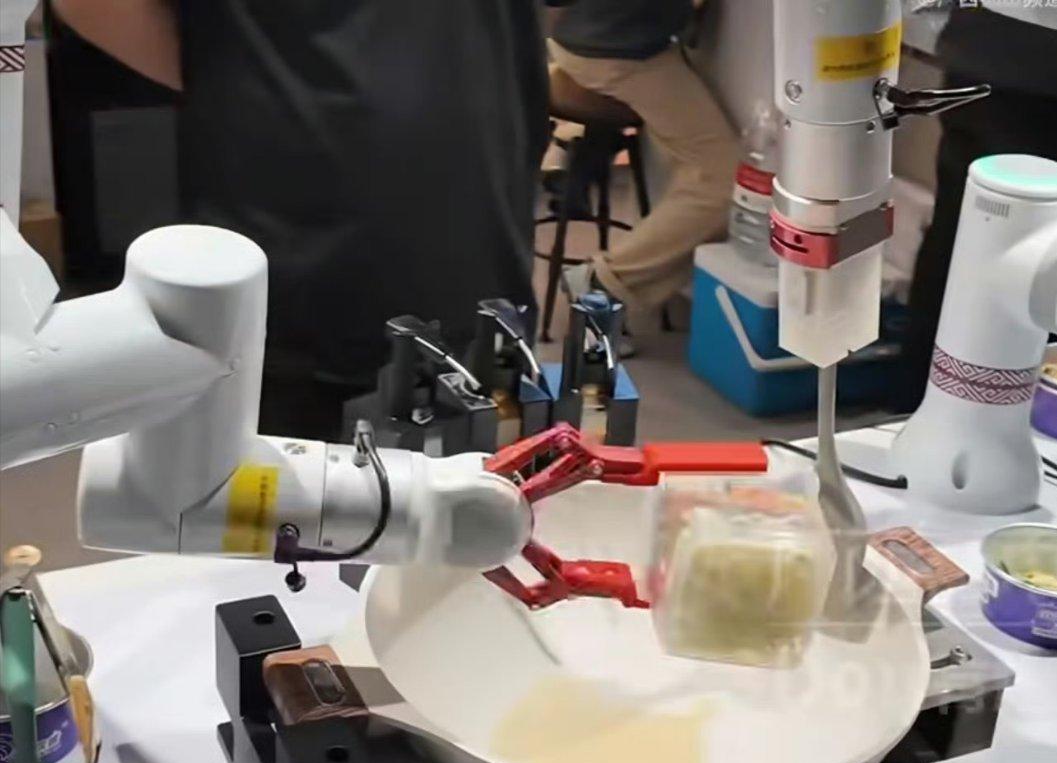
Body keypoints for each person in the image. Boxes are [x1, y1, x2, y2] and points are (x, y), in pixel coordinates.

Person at [53, 0, 549, 438]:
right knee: (292, 491)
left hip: (477, 241)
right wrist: (252, 89)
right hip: (304, 265)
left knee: (476, 487)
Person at [896, 0, 1057, 409]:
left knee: (966, 238)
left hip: (991, 41)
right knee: (1038, 262)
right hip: (1048, 63)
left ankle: (917, 410)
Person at [545, 0, 737, 321]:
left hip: (586, 38)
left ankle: (571, 150)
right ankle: (604, 282)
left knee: (699, 166)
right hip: (617, 51)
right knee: (726, 180)